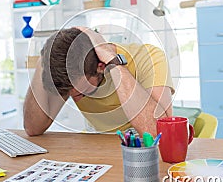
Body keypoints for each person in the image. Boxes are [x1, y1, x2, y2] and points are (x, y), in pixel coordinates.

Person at [23, 27, 174, 137]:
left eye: (83, 92)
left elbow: (159, 134)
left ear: (100, 67)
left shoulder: (150, 57)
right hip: (97, 147)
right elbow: (33, 128)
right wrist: (44, 59)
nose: (76, 98)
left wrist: (113, 62)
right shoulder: (71, 77)